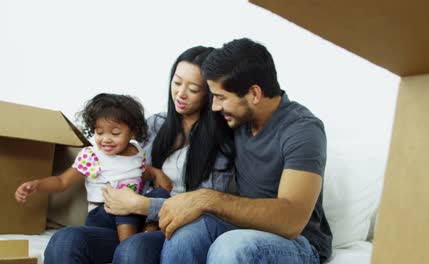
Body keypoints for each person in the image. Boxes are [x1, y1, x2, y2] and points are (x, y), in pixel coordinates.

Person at [103, 38, 333, 263]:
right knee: (185, 233)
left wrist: (207, 199)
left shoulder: (302, 130)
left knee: (230, 246)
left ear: (254, 94)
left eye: (221, 98)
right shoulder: (238, 121)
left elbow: (291, 221)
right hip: (243, 226)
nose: (214, 107)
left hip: (297, 242)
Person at [43, 46, 235, 264]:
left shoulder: (221, 143)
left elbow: (208, 208)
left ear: (209, 93)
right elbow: (123, 157)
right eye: (177, 82)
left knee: (132, 249)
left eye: (193, 89)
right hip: (130, 220)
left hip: (176, 228)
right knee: (64, 240)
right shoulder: (155, 125)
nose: (180, 94)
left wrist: (141, 205)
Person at [15, 93, 148, 241]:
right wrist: (37, 185)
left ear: (133, 133)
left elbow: (139, 172)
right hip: (102, 215)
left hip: (134, 211)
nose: (106, 139)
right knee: (124, 207)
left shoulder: (137, 151)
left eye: (115, 133)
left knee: (154, 196)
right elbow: (62, 181)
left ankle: (141, 239)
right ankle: (128, 246)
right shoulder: (92, 156)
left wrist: (156, 174)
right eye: (99, 132)